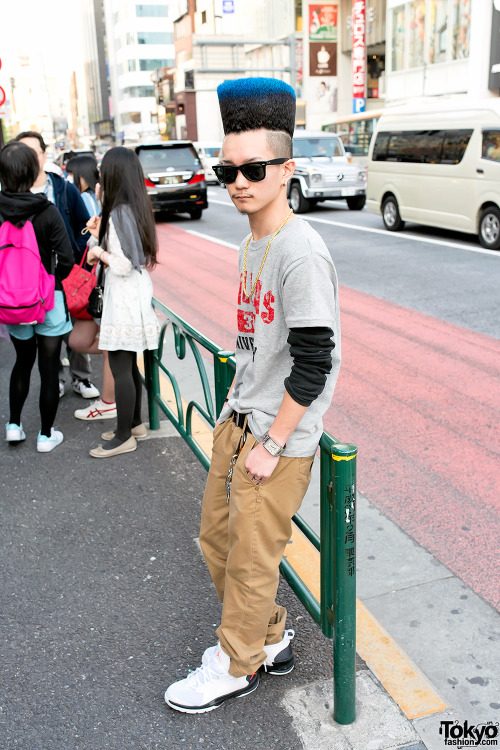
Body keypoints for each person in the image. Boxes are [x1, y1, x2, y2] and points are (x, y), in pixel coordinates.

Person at [164, 77, 341, 713]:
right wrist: (236, 413)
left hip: (276, 434)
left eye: (254, 168)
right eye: (226, 168)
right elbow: (256, 343)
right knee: (217, 539)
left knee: (251, 559)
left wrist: (272, 440)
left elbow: (315, 362)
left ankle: (235, 664)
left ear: (286, 169)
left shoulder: (300, 251)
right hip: (241, 417)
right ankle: (267, 639)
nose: (238, 181)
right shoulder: (250, 241)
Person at [84, 146, 160, 458]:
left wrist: (96, 252)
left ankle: (123, 435)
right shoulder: (134, 207)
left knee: (120, 363)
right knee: (128, 363)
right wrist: (98, 235)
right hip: (136, 293)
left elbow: (124, 263)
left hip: (125, 292)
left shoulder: (117, 213)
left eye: (103, 170)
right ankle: (135, 423)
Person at [14, 131, 100, 401]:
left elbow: (83, 225)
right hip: (31, 280)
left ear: (43, 154)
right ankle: (55, 380)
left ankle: (81, 378)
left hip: (67, 272)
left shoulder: (63, 187)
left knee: (77, 325)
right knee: (44, 336)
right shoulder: (13, 193)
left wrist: (73, 254)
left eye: (34, 152)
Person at [0, 141, 74, 452]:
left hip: (11, 302)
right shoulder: (47, 211)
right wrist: (48, 281)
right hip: (48, 301)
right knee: (48, 368)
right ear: (33, 172)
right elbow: (67, 258)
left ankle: (14, 426)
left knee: (21, 361)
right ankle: (46, 435)